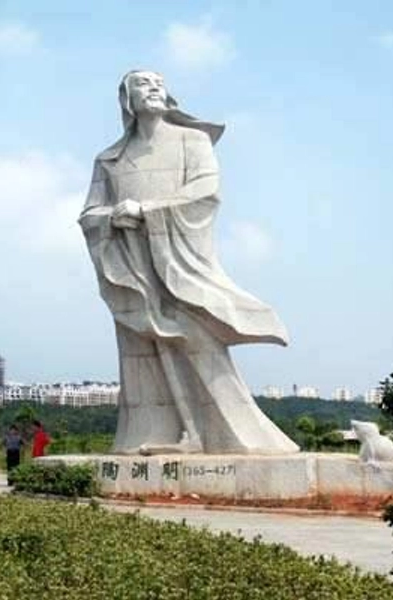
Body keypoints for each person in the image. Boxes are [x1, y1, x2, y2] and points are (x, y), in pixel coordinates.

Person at [78, 70, 299, 455]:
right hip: (131, 264)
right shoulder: (110, 159)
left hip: (176, 260)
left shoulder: (191, 141)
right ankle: (150, 433)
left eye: (158, 83)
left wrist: (147, 210)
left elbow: (205, 192)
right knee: (141, 347)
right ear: (127, 100)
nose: (153, 88)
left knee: (193, 333)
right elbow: (90, 212)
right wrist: (112, 218)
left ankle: (221, 435)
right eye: (143, 84)